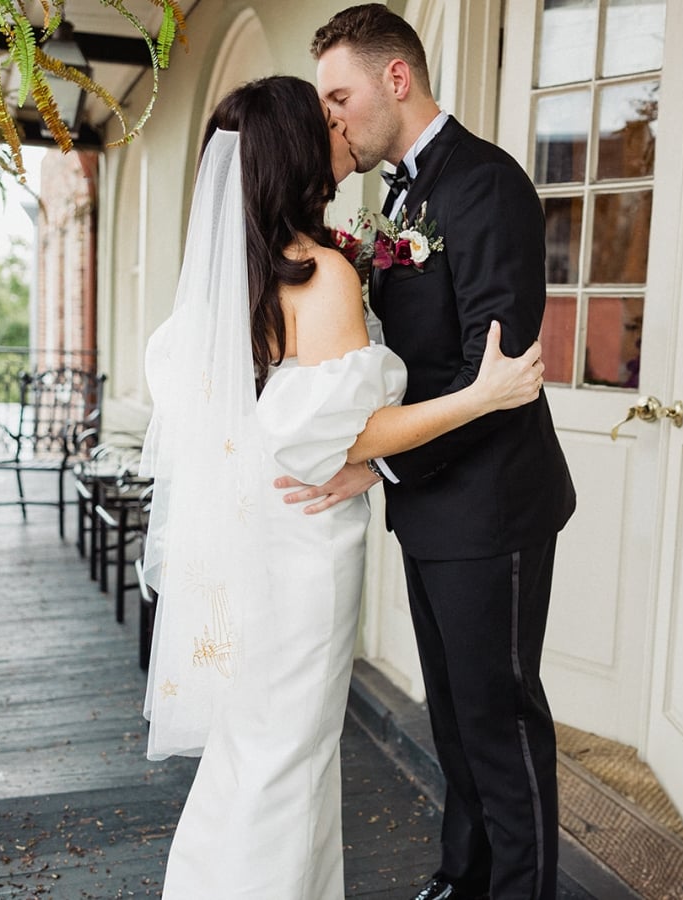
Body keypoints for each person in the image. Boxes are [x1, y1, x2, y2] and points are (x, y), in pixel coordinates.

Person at [139, 74, 545, 899]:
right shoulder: (320, 275)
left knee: (254, 749)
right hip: (305, 544)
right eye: (321, 116)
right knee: (287, 754)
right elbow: (341, 437)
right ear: (295, 149)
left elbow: (256, 422)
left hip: (253, 534)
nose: (337, 127)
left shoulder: (227, 285)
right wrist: (482, 395)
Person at [294, 7, 578, 899]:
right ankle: (464, 878)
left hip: (495, 505)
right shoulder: (403, 196)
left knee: (501, 723)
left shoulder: (484, 183)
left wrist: (376, 464)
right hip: (432, 508)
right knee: (450, 719)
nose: (332, 119)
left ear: (397, 79)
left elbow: (493, 378)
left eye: (340, 97)